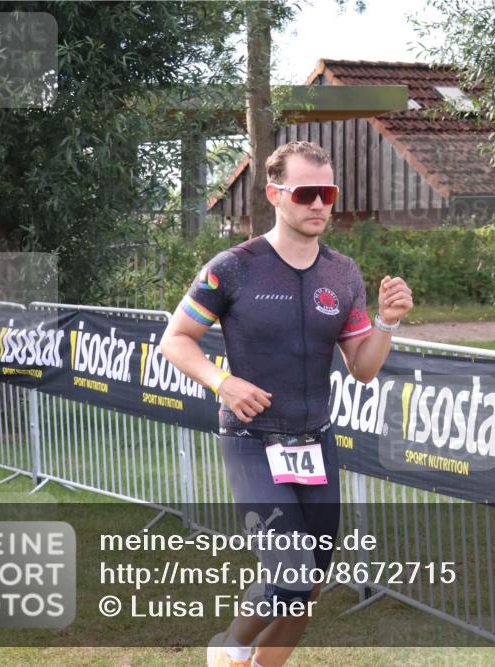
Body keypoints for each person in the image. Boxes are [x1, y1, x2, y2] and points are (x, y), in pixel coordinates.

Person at [159, 141, 413, 667]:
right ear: (275, 194)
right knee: (290, 573)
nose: (319, 204)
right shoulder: (234, 267)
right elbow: (176, 339)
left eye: (328, 193)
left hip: (315, 442)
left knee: (310, 582)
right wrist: (221, 381)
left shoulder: (342, 274)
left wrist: (388, 321)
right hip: (252, 441)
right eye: (306, 193)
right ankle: (228, 649)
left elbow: (362, 369)